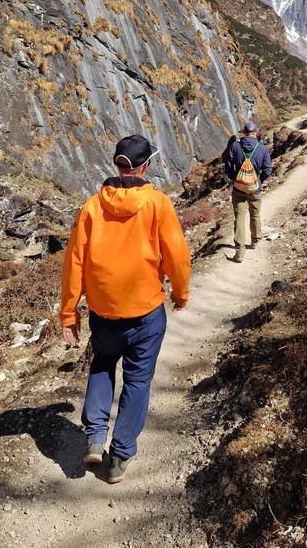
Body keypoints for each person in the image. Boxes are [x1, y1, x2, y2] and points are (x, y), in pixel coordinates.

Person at [60, 134, 190, 484]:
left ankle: (94, 437)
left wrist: (69, 313)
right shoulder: (158, 204)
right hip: (146, 312)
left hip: (104, 313)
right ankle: (119, 456)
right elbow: (177, 256)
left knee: (102, 365)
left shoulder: (91, 206)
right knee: (137, 381)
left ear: (118, 164)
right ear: (146, 166)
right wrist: (180, 294)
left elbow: (74, 263)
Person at [224, 121, 272, 262]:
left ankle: (239, 252)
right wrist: (258, 181)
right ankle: (256, 240)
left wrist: (235, 178)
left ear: (244, 133)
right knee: (255, 214)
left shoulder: (235, 146)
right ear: (255, 132)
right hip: (255, 189)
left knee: (239, 218)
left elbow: (228, 165)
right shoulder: (262, 148)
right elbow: (268, 169)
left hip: (238, 189)